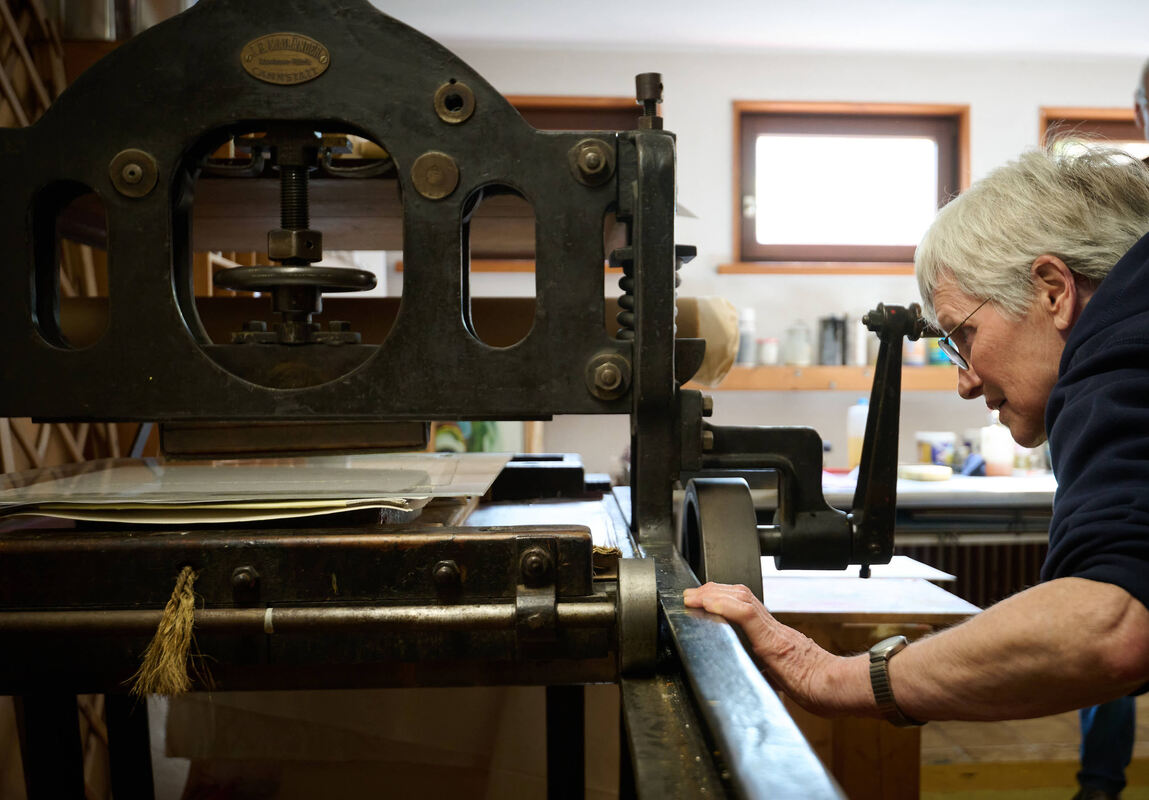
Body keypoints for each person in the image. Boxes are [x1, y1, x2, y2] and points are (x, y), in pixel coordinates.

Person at [684, 147, 1149, 744]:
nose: (965, 383)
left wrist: (828, 675)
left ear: (1054, 291)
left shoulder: (1119, 352)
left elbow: (1111, 626)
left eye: (963, 336)